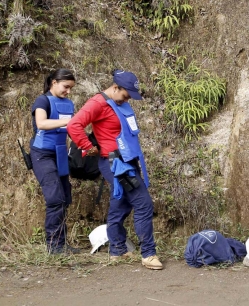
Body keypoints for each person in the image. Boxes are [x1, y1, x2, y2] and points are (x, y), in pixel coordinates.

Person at [67, 70, 162, 270]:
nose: (127, 99)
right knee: (144, 204)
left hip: (128, 160)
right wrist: (88, 146)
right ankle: (148, 254)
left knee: (121, 203)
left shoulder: (119, 103)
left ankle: (118, 249)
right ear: (115, 87)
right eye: (126, 95)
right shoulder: (97, 103)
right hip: (116, 164)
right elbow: (74, 125)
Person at [30, 69, 79, 255]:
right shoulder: (42, 100)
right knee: (54, 198)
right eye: (66, 87)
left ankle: (61, 243)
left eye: (71, 88)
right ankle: (54, 246)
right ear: (54, 82)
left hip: (60, 154)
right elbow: (41, 123)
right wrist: (71, 122)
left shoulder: (68, 104)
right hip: (42, 154)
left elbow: (71, 129)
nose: (68, 91)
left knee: (65, 198)